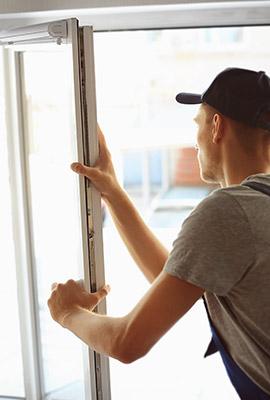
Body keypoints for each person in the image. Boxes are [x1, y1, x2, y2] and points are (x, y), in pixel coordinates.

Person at [48, 68, 270, 399]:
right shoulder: (256, 207)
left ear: (217, 126)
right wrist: (112, 190)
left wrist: (67, 313)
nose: (193, 140)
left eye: (197, 123)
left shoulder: (229, 211)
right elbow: (180, 278)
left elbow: (127, 343)